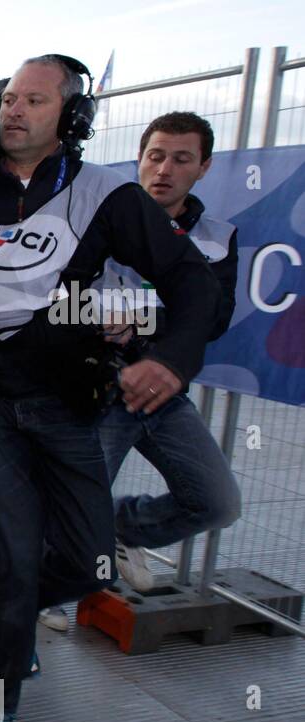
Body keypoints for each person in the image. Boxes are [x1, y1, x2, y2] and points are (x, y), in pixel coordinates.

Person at [0, 55, 221, 722]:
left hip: (67, 399)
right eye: (10, 98)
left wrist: (169, 359)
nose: (15, 109)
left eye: (35, 100)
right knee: (13, 553)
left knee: (90, 562)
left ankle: (3, 607)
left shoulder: (106, 195)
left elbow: (193, 281)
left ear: (72, 116)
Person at [97, 111, 241, 586]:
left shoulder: (218, 236)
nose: (164, 169)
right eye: (156, 156)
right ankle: (47, 592)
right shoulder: (97, 219)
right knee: (71, 498)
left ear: (204, 167)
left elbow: (214, 319)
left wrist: (139, 325)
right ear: (139, 158)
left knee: (218, 504)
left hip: (163, 392)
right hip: (96, 389)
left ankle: (118, 527)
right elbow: (64, 301)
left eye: (181, 159)